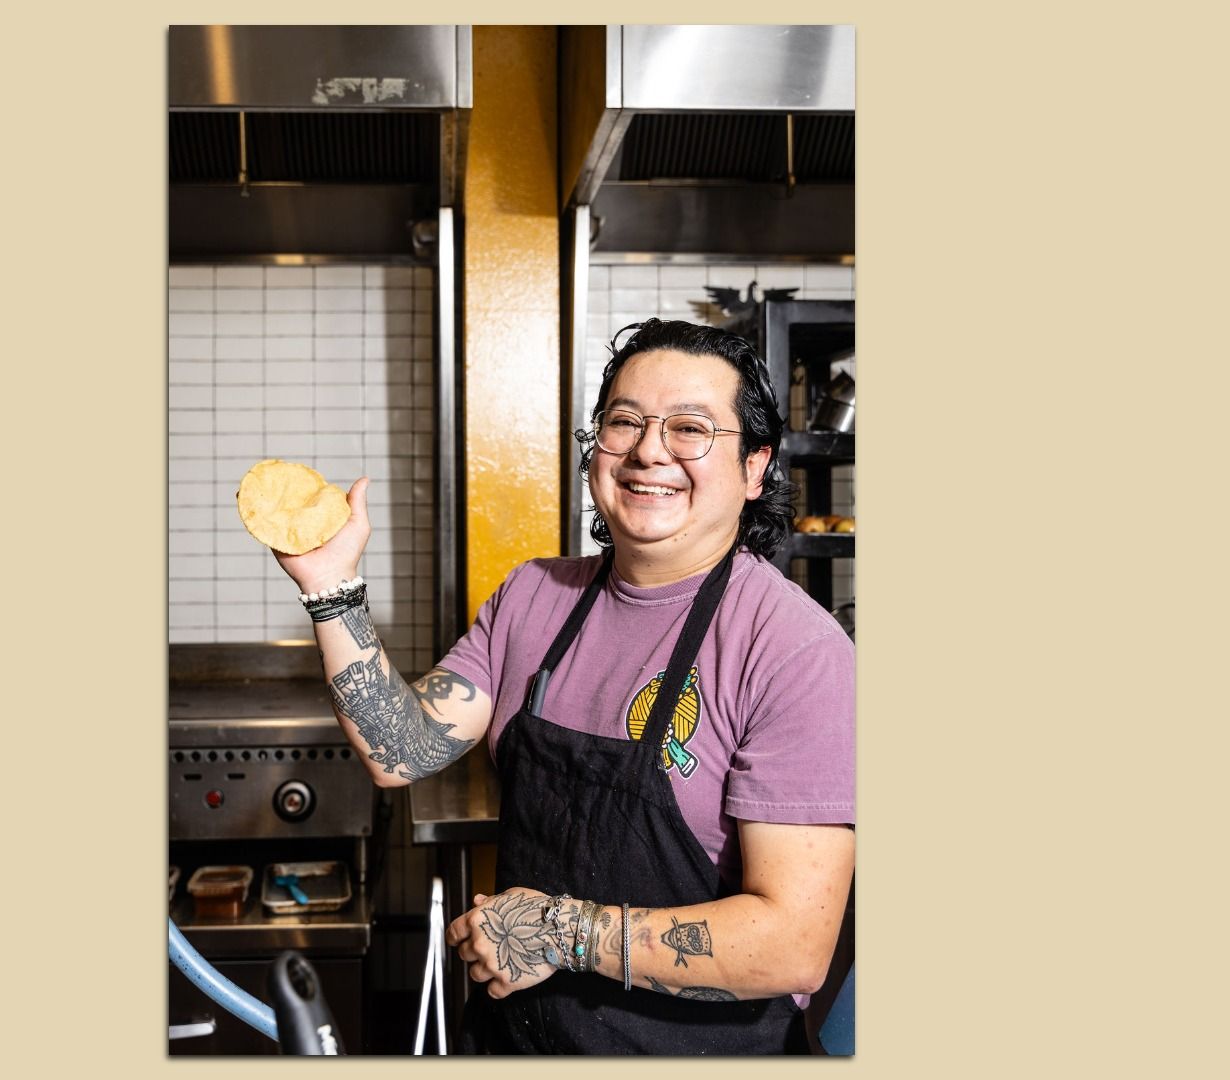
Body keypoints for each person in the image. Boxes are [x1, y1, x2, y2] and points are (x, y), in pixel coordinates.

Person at [274, 319, 855, 1054]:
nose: (649, 450)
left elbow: (792, 944)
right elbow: (401, 749)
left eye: (690, 429)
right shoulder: (535, 596)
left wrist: (559, 933)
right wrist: (334, 589)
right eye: (624, 422)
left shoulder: (793, 648)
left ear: (754, 468)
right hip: (522, 1040)